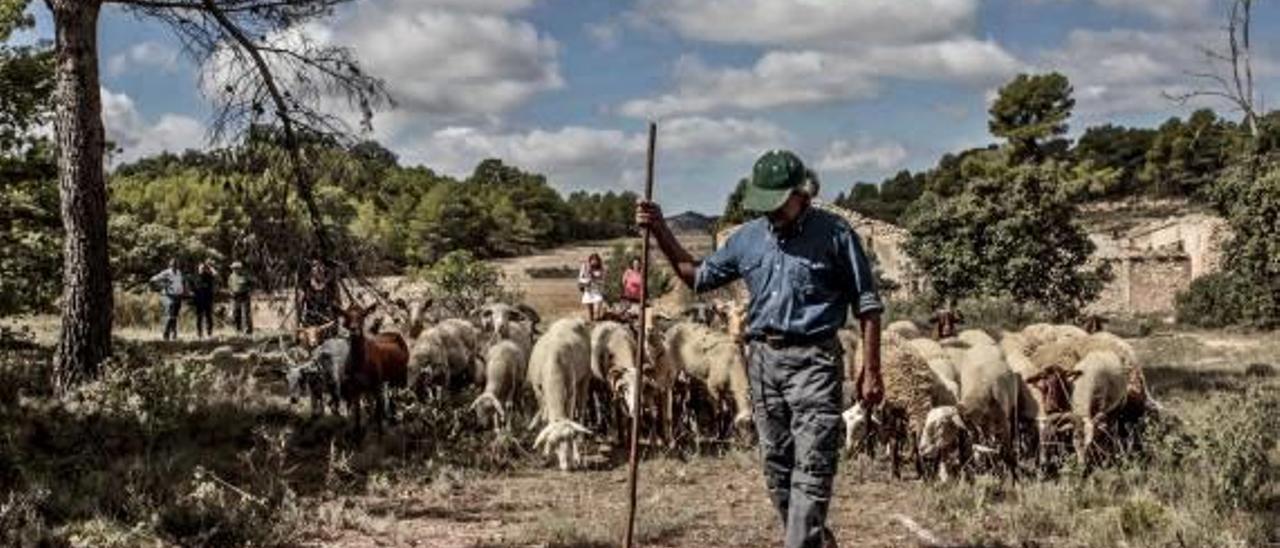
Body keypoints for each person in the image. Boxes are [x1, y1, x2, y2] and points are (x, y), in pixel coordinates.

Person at [636, 150, 883, 548]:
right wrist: (660, 228)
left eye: (778, 204)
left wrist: (871, 368)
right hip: (763, 363)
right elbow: (697, 277)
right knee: (777, 469)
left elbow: (868, 304)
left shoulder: (835, 235)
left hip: (814, 362)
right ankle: (813, 540)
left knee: (813, 467)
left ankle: (801, 542)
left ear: (801, 194)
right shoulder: (748, 238)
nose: (771, 213)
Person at [150, 258, 187, 341]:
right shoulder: (166, 273)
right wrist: (163, 284)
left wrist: (184, 291)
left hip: (178, 295)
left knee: (175, 316)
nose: (175, 266)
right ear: (170, 265)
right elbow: (153, 279)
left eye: (176, 264)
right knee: (170, 315)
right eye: (173, 265)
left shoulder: (179, 272)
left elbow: (181, 283)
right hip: (168, 296)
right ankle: (166, 334)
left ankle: (174, 333)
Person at [300, 259, 341, 327]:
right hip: (311, 323)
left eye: (321, 265)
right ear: (311, 269)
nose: (318, 269)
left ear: (324, 268)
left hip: (328, 322)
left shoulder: (331, 286)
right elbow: (300, 307)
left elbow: (337, 305)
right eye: (315, 266)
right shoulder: (306, 285)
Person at [192, 260, 218, 338]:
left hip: (208, 299)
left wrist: (210, 267)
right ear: (198, 269)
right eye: (201, 268)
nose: (202, 269)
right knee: (199, 317)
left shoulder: (208, 276)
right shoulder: (195, 277)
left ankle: (209, 333)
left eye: (203, 268)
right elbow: (191, 289)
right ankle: (199, 333)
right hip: (199, 300)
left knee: (208, 317)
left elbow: (216, 275)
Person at [228, 261, 254, 335]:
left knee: (245, 314)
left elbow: (251, 284)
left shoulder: (245, 275)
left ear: (240, 268)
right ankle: (238, 329)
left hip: (244, 296)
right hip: (235, 297)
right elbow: (229, 286)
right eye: (233, 268)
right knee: (236, 313)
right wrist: (231, 292)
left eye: (236, 268)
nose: (234, 270)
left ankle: (247, 331)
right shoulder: (231, 276)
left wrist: (249, 291)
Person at [577, 253, 605, 321]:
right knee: (590, 312)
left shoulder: (601, 269)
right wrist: (586, 281)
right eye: (593, 260)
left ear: (598, 261)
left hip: (597, 291)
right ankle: (591, 323)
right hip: (588, 291)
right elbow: (580, 279)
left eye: (596, 260)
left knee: (598, 307)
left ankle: (598, 321)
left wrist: (595, 279)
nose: (594, 261)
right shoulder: (585, 267)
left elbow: (603, 280)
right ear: (590, 260)